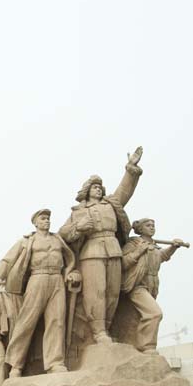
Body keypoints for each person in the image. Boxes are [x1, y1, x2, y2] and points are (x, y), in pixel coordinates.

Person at [58, 146, 144, 345]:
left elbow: (125, 191)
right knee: (96, 292)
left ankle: (107, 327)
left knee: (112, 292)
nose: (98, 189)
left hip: (113, 250)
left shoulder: (111, 204)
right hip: (92, 253)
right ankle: (98, 331)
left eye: (100, 187)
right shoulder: (79, 211)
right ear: (87, 191)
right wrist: (79, 228)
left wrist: (130, 168)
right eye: (94, 187)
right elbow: (63, 233)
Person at [0, 209, 78, 376]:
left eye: (48, 219)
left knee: (56, 321)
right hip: (37, 278)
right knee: (26, 321)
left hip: (56, 280)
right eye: (43, 218)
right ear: (36, 223)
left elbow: (70, 259)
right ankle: (16, 365)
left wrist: (71, 272)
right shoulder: (27, 241)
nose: (47, 221)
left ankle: (55, 363)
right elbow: (7, 260)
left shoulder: (57, 239)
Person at [120, 218, 185, 354]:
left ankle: (135, 345)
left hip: (153, 285)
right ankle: (147, 346)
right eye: (148, 225)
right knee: (154, 313)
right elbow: (123, 263)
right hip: (138, 285)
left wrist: (173, 247)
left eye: (153, 225)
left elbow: (161, 257)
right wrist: (139, 252)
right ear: (140, 229)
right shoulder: (134, 244)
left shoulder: (154, 246)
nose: (152, 227)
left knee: (138, 317)